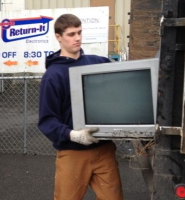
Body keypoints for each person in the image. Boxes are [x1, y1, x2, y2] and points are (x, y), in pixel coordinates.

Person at [38, 13, 124, 200]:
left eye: (79, 32)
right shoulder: (53, 76)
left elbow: (121, 85)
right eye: (71, 34)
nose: (77, 38)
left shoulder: (97, 63)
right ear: (58, 37)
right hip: (72, 154)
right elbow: (47, 120)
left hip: (103, 150)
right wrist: (74, 135)